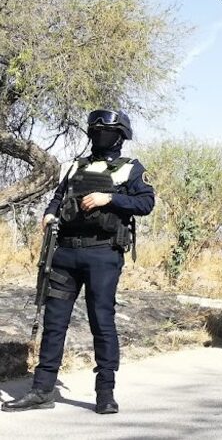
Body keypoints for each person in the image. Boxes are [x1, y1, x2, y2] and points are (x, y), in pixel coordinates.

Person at [2, 110, 154, 415]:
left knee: (102, 322)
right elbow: (58, 197)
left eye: (106, 130)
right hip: (65, 255)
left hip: (103, 255)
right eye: (95, 129)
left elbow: (146, 203)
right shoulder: (74, 166)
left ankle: (105, 394)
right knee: (54, 323)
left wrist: (109, 199)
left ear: (121, 135)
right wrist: (49, 213)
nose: (100, 135)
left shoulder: (130, 169)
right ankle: (42, 390)